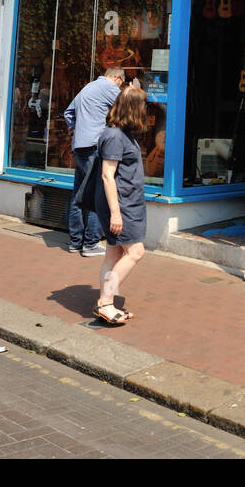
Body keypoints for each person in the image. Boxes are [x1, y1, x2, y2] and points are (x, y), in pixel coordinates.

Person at [94, 86, 149, 325]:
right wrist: (116, 213)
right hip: (122, 205)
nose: (145, 110)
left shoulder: (120, 134)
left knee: (114, 253)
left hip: (127, 202)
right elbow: (107, 175)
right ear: (133, 109)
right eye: (143, 106)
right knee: (136, 252)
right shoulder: (115, 136)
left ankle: (107, 304)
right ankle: (105, 302)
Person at [63, 66, 126, 256]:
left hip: (79, 146)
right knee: (97, 194)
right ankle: (90, 244)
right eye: (121, 84)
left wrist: (79, 130)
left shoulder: (88, 87)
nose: (119, 87)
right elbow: (127, 108)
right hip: (93, 147)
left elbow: (68, 113)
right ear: (117, 78)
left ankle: (75, 242)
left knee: (78, 195)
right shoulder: (109, 87)